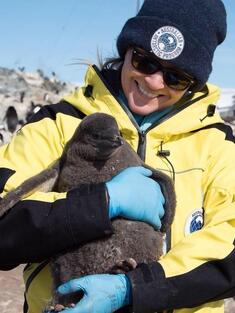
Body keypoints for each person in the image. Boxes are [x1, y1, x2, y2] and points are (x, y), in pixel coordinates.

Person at [0, 0, 235, 312]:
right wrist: (102, 202)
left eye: (175, 77)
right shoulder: (58, 123)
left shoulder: (219, 145)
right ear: (127, 50)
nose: (153, 82)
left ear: (193, 84)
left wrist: (133, 289)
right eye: (144, 61)